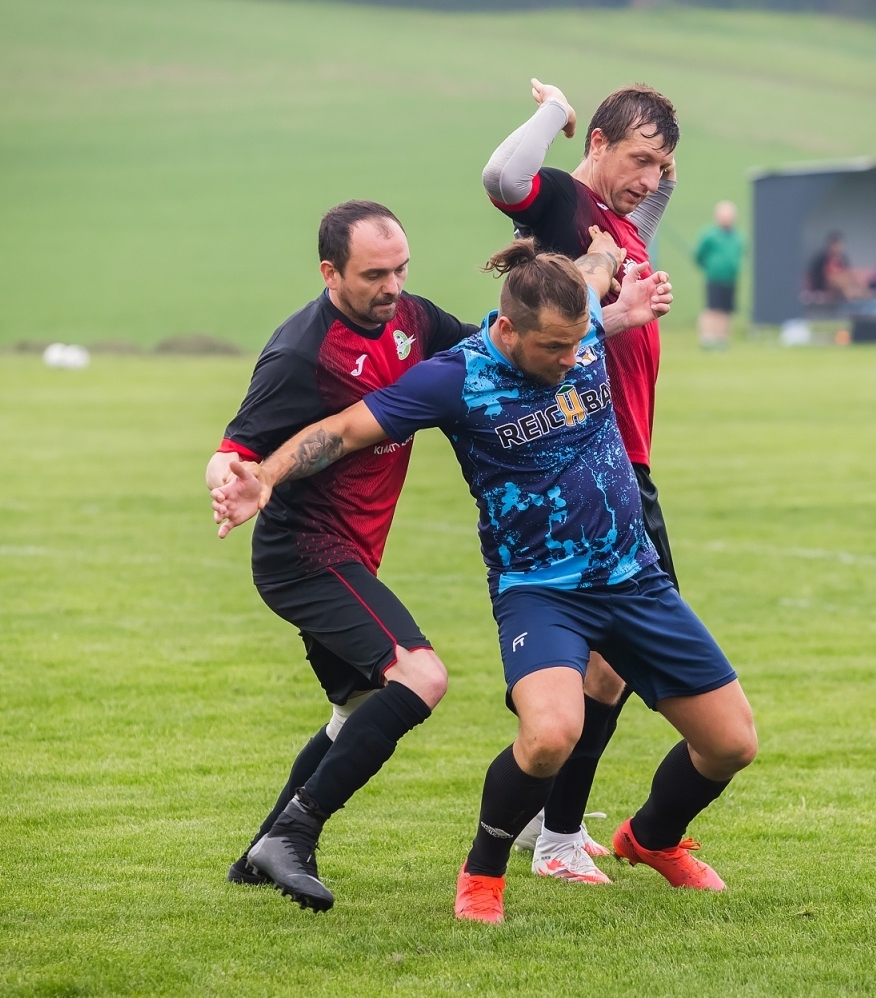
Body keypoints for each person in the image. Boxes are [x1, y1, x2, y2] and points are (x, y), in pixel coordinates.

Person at [216, 237, 757, 925]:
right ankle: (483, 871)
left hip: (634, 577)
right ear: (506, 329)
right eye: (553, 348)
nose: (572, 359)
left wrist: (603, 250)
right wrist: (263, 475)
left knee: (732, 744)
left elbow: (593, 271)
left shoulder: (579, 320)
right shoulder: (454, 378)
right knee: (551, 734)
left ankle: (651, 837)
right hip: (541, 591)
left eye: (578, 343)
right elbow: (345, 430)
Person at [204, 200, 477, 912]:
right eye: (374, 275)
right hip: (304, 553)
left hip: (350, 554)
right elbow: (233, 448)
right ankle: (293, 837)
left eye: (401, 269)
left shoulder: (413, 319)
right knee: (421, 676)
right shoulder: (301, 353)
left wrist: (612, 316)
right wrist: (231, 481)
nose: (393, 287)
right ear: (330, 273)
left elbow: (491, 352)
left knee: (356, 711)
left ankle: (259, 855)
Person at [480, 79, 682, 885]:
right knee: (620, 652)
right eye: (638, 159)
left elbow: (652, 199)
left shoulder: (619, 224)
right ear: (596, 143)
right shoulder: (568, 205)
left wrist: (656, 157)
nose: (650, 178)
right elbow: (503, 178)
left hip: (623, 456)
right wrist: (555, 112)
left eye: (661, 165)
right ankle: (555, 833)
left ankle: (547, 821)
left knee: (609, 659)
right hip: (600, 457)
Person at [694, 200, 743, 349]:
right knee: (712, 308)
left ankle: (722, 338)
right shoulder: (710, 235)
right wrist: (709, 267)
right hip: (714, 278)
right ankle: (708, 338)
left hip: (730, 278)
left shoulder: (738, 237)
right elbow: (699, 255)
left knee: (726, 309)